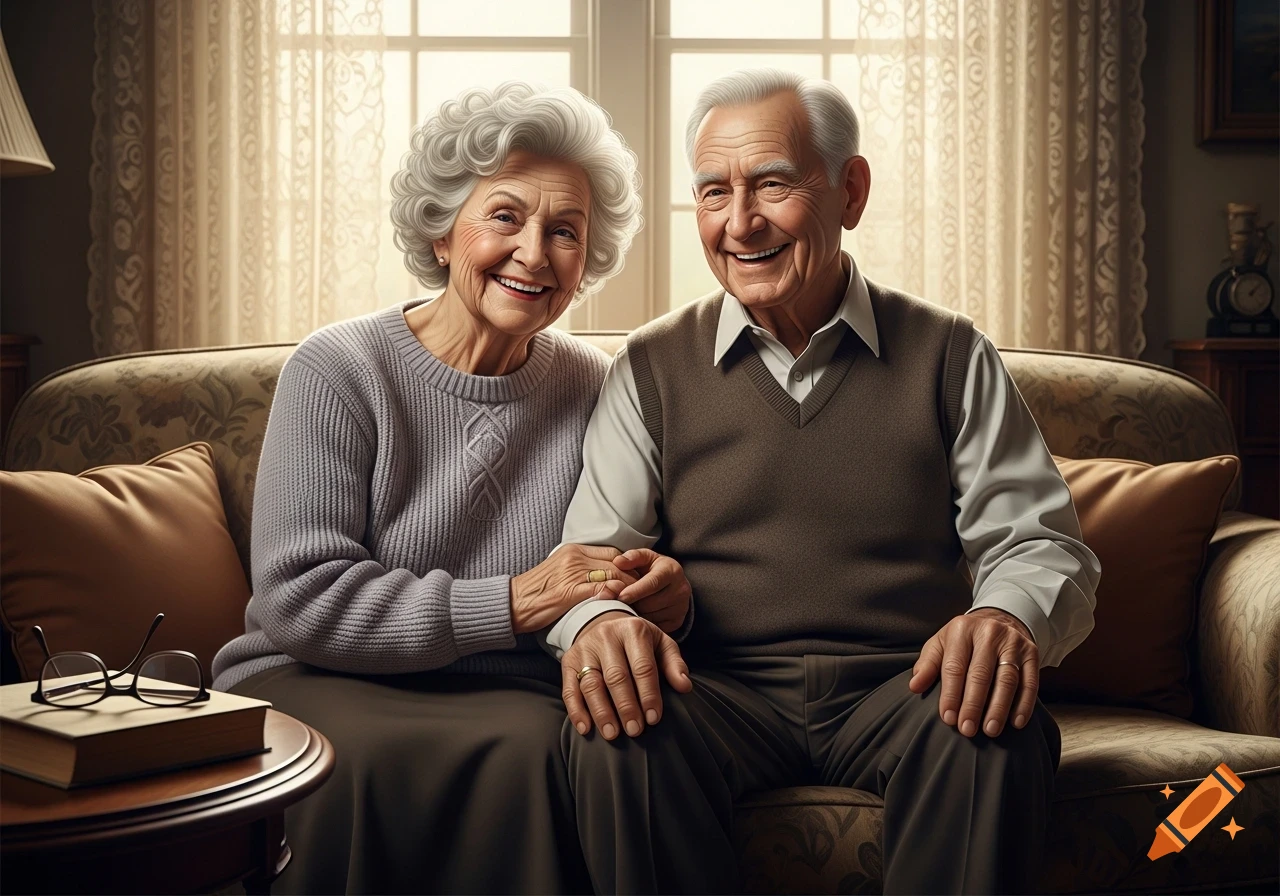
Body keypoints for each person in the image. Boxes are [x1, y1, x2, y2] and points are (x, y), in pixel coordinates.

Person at [542, 69, 1102, 894]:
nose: (741, 223)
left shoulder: (950, 353)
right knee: (613, 731)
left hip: (906, 684)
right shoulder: (650, 367)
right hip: (715, 687)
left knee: (997, 730)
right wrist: (592, 620)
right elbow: (594, 558)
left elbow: (1039, 541)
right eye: (712, 192)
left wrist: (1002, 614)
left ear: (851, 190)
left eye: (772, 183)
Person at [210, 81, 687, 894]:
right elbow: (299, 597)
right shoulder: (339, 368)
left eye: (564, 231)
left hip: (510, 692)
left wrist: (655, 593)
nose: (535, 253)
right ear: (441, 234)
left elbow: (600, 573)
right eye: (505, 216)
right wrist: (511, 601)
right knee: (358, 761)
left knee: (549, 751)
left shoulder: (595, 386)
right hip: (320, 675)